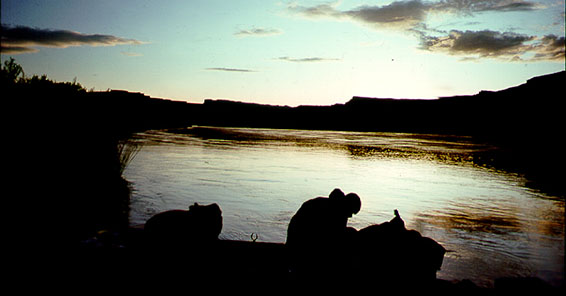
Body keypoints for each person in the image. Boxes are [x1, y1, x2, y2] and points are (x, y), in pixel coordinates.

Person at [286, 188, 361, 279]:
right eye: (352, 212)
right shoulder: (332, 211)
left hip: (299, 237)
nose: (350, 216)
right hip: (301, 242)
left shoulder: (335, 209)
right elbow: (330, 237)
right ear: (348, 205)